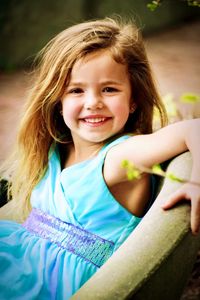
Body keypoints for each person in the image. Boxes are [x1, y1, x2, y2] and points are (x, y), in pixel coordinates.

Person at [0, 17, 199, 300]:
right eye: (76, 90)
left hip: (51, 286)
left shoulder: (119, 157)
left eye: (109, 89)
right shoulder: (58, 148)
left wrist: (197, 182)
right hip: (17, 262)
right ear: (58, 101)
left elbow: (195, 129)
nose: (93, 101)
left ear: (133, 100)